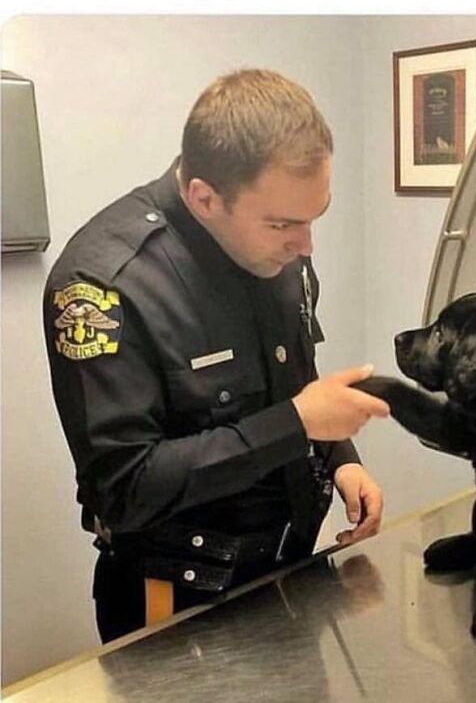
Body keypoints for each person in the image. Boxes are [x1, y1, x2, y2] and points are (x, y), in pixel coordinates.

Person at [43, 69, 389, 643]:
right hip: (179, 602)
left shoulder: (279, 252)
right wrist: (298, 424)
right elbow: (126, 490)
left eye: (313, 218)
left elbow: (292, 384)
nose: (306, 246)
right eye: (282, 224)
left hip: (292, 572)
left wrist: (339, 457)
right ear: (204, 197)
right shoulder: (106, 284)